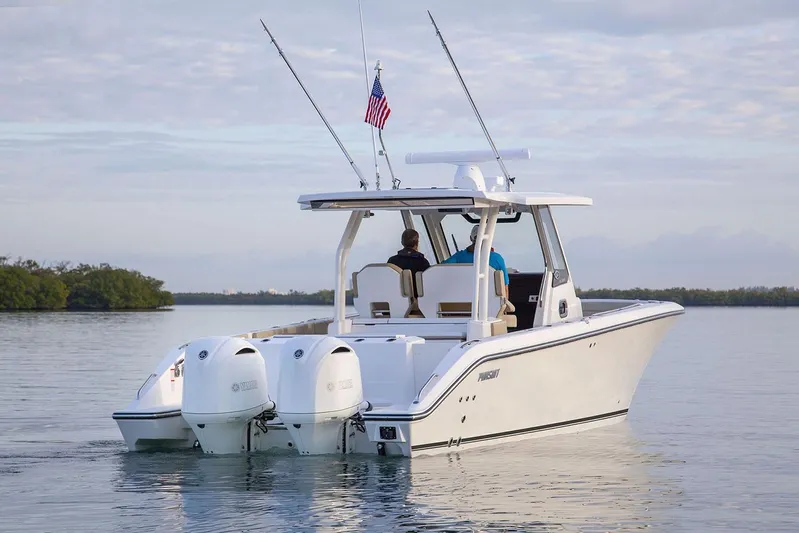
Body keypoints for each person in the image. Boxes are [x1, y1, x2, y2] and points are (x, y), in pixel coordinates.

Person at [443, 224, 510, 287]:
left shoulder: (459, 257)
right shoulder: (497, 259)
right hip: (490, 299)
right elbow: (504, 287)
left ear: (470, 238)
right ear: (487, 238)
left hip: (464, 297)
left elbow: (441, 269)